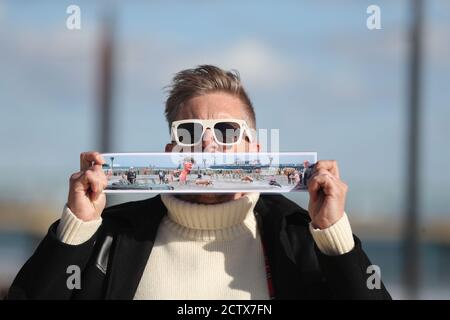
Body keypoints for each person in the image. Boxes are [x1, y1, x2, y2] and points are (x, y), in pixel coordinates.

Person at [7, 65, 391, 300]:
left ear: (253, 148)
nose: (207, 143)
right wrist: (76, 229)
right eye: (189, 132)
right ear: (171, 148)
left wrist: (334, 235)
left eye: (226, 130)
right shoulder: (114, 236)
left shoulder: (298, 236)